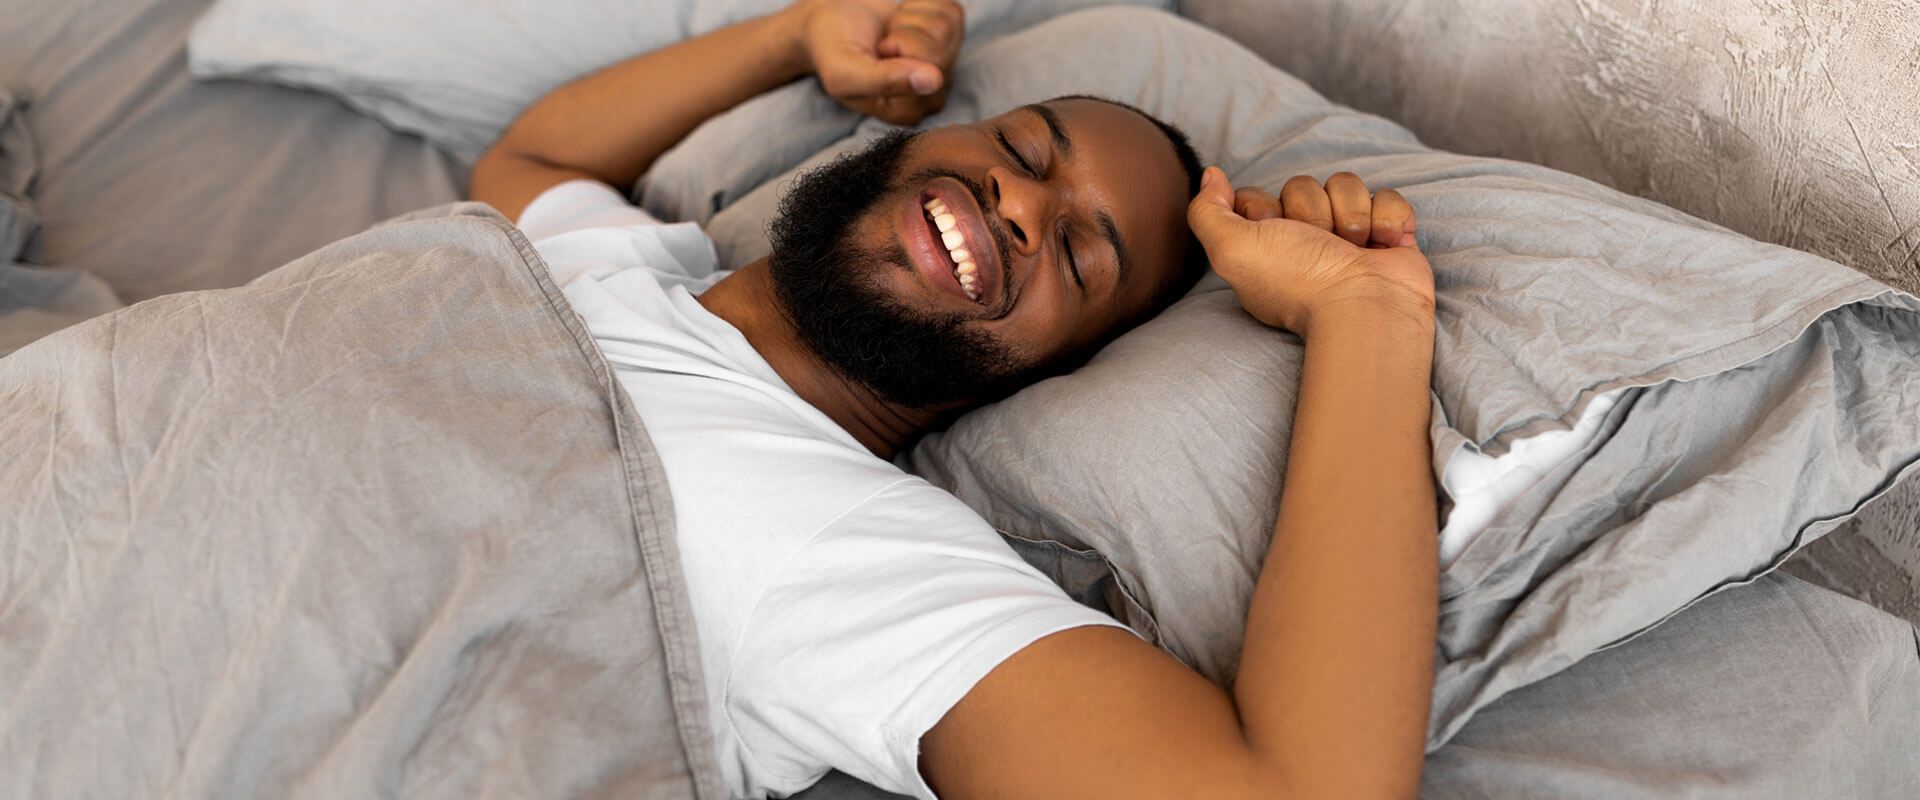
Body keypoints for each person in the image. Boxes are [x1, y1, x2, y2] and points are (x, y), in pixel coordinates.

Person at [468, 0, 1439, 797]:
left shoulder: (851, 554)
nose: (1020, 205)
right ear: (918, 135)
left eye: (1077, 254)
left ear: (1039, 373)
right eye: (1022, 148)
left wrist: (1366, 319)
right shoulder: (614, 267)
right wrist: (797, 34)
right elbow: (528, 163)